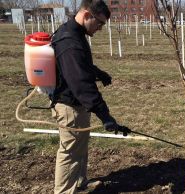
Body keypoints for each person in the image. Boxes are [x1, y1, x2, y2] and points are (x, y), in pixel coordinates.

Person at [50, 0, 130, 193]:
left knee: (80, 148)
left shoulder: (76, 33)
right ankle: (63, 191)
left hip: (77, 105)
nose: (101, 28)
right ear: (87, 15)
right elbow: (82, 86)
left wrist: (98, 72)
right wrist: (105, 116)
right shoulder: (70, 41)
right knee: (70, 152)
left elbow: (80, 65)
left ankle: (79, 183)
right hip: (70, 106)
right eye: (100, 23)